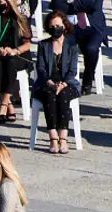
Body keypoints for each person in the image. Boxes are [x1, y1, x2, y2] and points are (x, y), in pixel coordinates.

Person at [33, 11, 80, 154]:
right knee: (50, 95)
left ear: (64, 26)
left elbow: (73, 70)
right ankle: (53, 137)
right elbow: (40, 69)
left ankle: (63, 138)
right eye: (52, 26)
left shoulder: (72, 45)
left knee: (64, 95)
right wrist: (51, 83)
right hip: (46, 83)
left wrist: (63, 84)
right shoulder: (43, 45)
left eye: (58, 25)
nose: (55, 29)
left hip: (67, 83)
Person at [0, 0, 32, 124]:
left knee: (11, 64)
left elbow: (27, 44)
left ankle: (3, 104)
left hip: (16, 55)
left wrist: (15, 50)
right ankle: (9, 104)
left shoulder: (20, 19)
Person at [50, 0, 107, 95]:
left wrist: (71, 3)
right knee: (59, 46)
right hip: (69, 27)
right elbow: (56, 4)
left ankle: (87, 83)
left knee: (91, 49)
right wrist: (79, 5)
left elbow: (92, 5)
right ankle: (62, 82)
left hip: (92, 27)